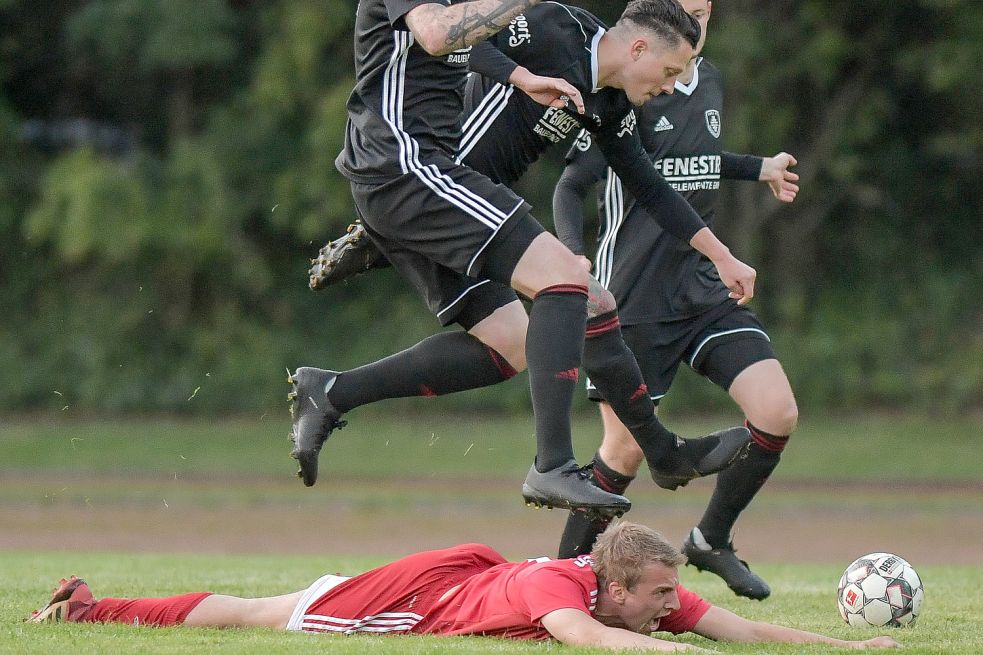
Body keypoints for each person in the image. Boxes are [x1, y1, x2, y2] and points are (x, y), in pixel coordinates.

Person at [292, 0, 755, 513]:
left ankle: (331, 391)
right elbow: (453, 38)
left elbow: (648, 185)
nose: (671, 87)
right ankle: (556, 466)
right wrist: (519, 75)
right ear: (639, 47)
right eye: (669, 72)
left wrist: (721, 256)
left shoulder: (608, 101)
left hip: (445, 198)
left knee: (518, 342)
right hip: (424, 174)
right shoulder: (556, 27)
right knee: (568, 284)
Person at [552, 0, 799, 601]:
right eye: (687, 8)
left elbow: (692, 164)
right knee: (625, 449)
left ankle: (711, 539)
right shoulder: (624, 90)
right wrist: (569, 258)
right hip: (634, 294)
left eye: (706, 8)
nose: (700, 18)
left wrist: (757, 166)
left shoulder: (704, 77)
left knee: (776, 412)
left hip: (703, 290)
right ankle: (557, 581)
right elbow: (571, 183)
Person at [28, 522, 900, 652]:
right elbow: (589, 638)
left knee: (269, 604)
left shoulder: (643, 589)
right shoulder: (562, 591)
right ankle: (89, 605)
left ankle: (89, 601)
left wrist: (849, 646)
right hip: (413, 600)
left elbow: (742, 633)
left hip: (463, 567)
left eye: (674, 595)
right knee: (265, 614)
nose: (676, 605)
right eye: (663, 595)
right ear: (617, 582)